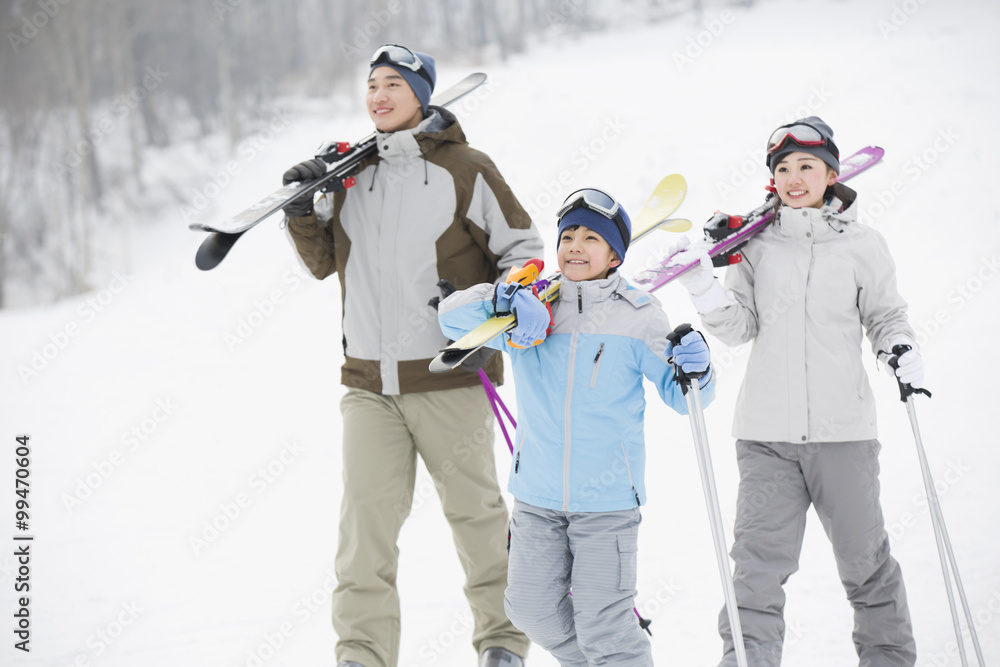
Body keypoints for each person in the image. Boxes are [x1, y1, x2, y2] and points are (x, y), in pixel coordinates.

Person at [281, 44, 541, 667]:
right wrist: (301, 212)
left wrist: (491, 304)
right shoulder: (349, 176)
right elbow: (323, 264)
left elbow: (524, 251)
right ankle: (362, 654)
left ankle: (502, 641)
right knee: (363, 531)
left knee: (477, 518)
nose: (378, 95)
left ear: (422, 95)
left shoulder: (466, 168)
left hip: (449, 378)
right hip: (369, 384)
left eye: (393, 83)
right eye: (371, 85)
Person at [677, 116, 921, 667]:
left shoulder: (863, 245)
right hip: (766, 438)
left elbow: (886, 314)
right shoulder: (755, 246)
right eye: (782, 168)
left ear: (831, 173)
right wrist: (701, 287)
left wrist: (900, 349)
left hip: (844, 436)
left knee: (866, 565)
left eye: (806, 166)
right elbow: (740, 328)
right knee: (757, 570)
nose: (793, 176)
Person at [438, 188, 716, 667]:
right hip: (537, 496)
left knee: (605, 624)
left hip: (607, 503)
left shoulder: (639, 314)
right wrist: (504, 296)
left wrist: (698, 369)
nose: (575, 246)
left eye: (591, 238)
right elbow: (451, 317)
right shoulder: (533, 306)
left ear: (614, 255)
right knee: (530, 611)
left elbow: (685, 398)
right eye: (568, 235)